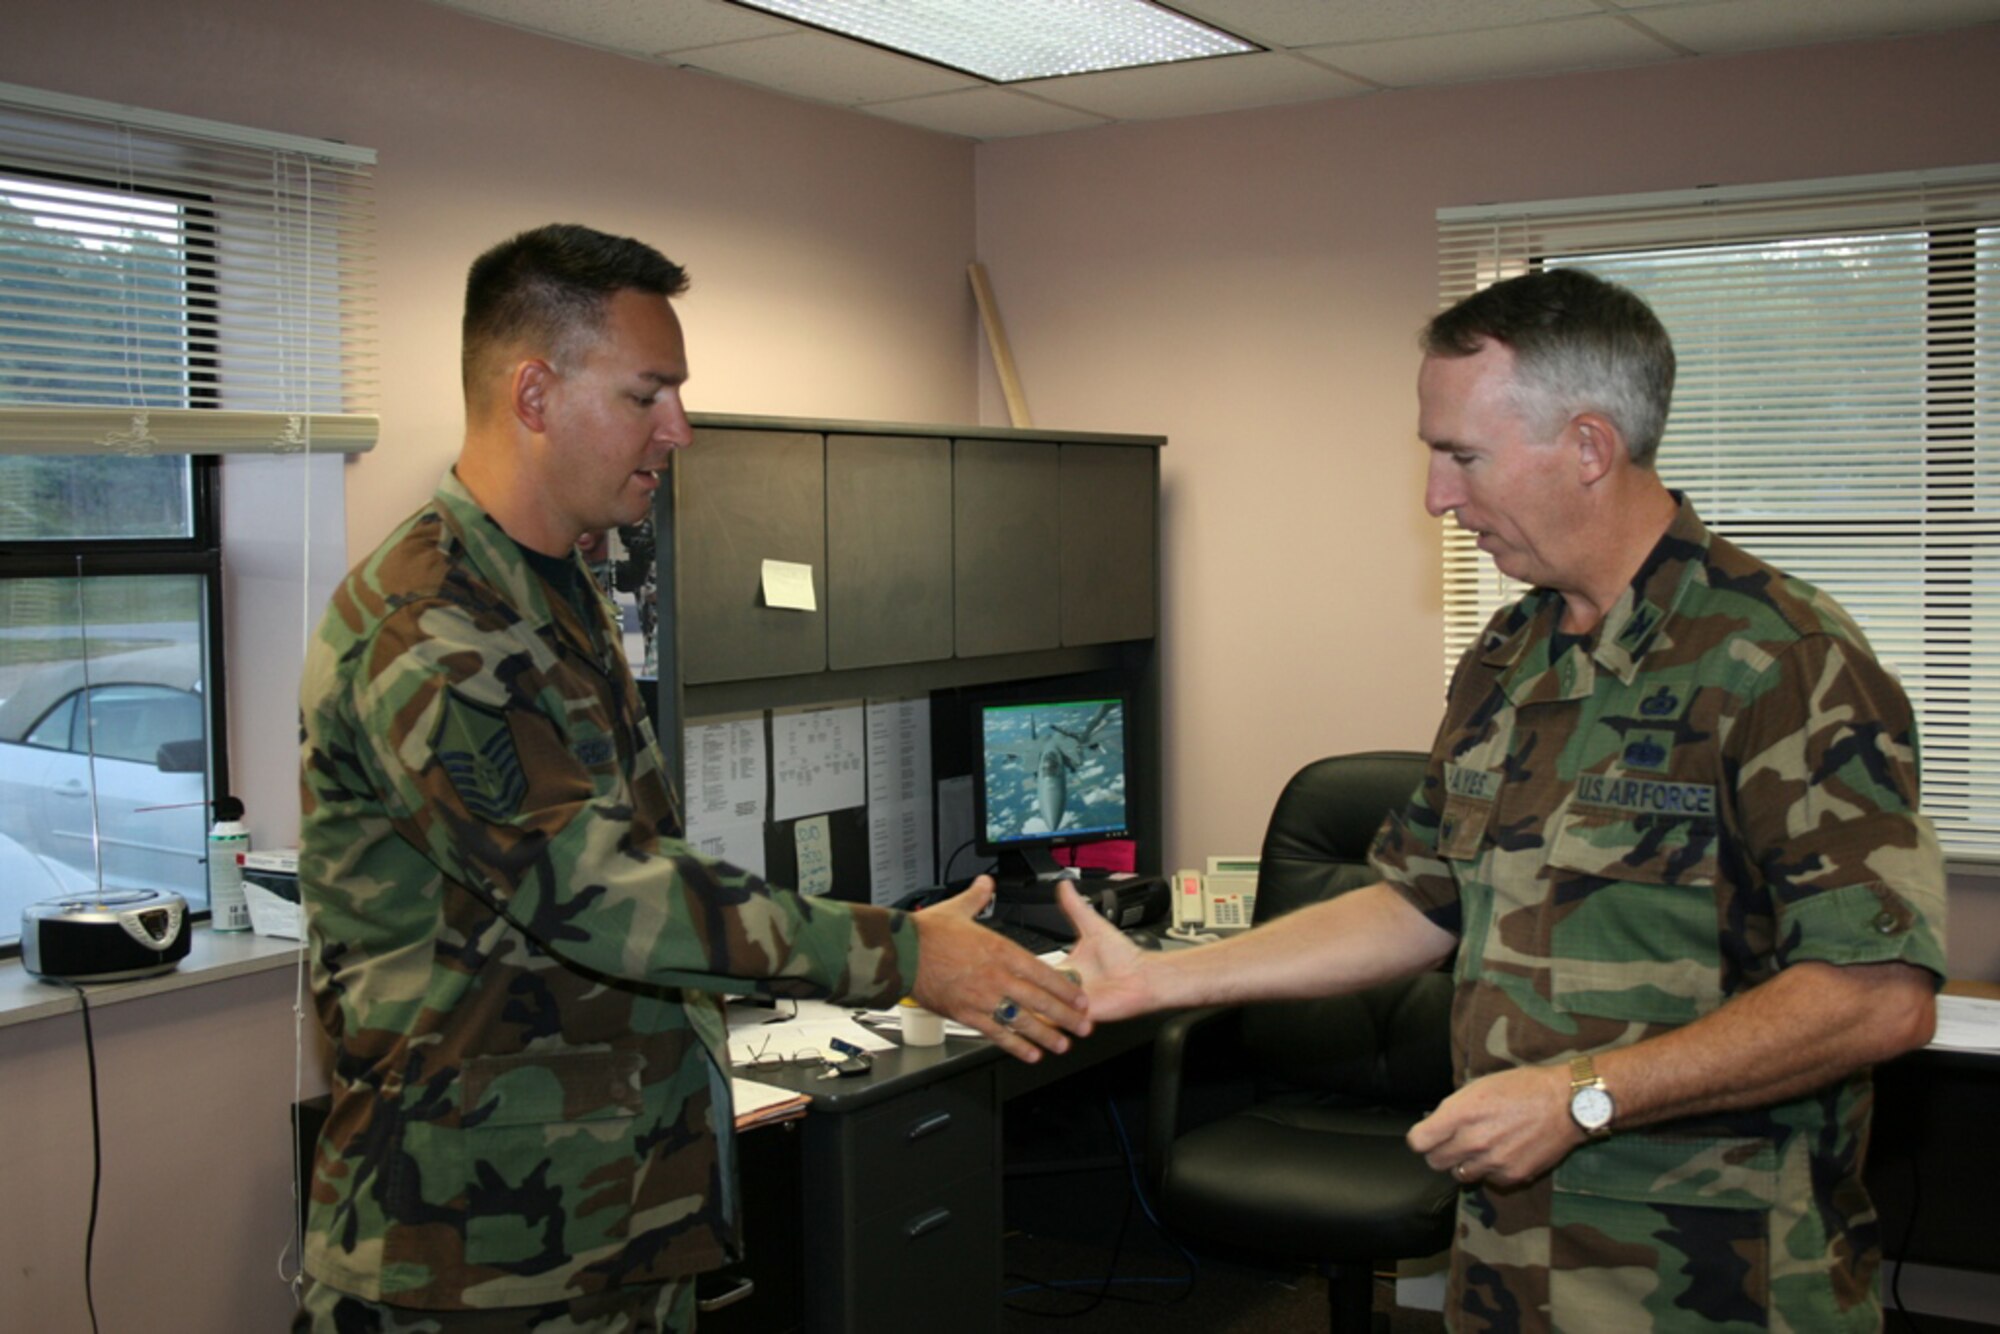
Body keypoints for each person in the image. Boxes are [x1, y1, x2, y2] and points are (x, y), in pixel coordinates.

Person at [1060, 268, 1947, 1331]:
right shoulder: (1512, 650)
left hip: (1715, 1280)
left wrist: (1582, 1094)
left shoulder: (1782, 661)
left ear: (1585, 446)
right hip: (1506, 1262)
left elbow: (1875, 996)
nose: (1436, 497)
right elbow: (1414, 900)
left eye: (1460, 456)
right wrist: (1162, 978)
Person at [295, 223, 1090, 1332]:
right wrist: (906, 952)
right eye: (646, 393)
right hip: (471, 1256)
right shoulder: (429, 625)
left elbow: (637, 863)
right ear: (533, 393)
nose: (680, 426)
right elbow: (599, 889)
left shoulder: (556, 585)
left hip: (607, 1220)